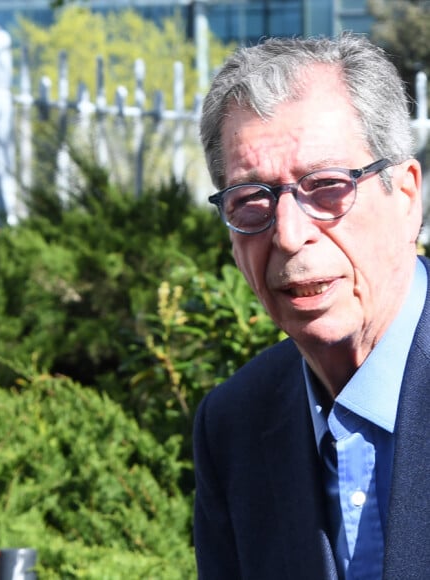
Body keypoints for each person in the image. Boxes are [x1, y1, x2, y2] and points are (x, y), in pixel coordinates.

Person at [193, 32, 430, 579]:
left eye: (326, 186)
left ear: (406, 196)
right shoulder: (234, 426)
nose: (290, 234)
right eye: (252, 199)